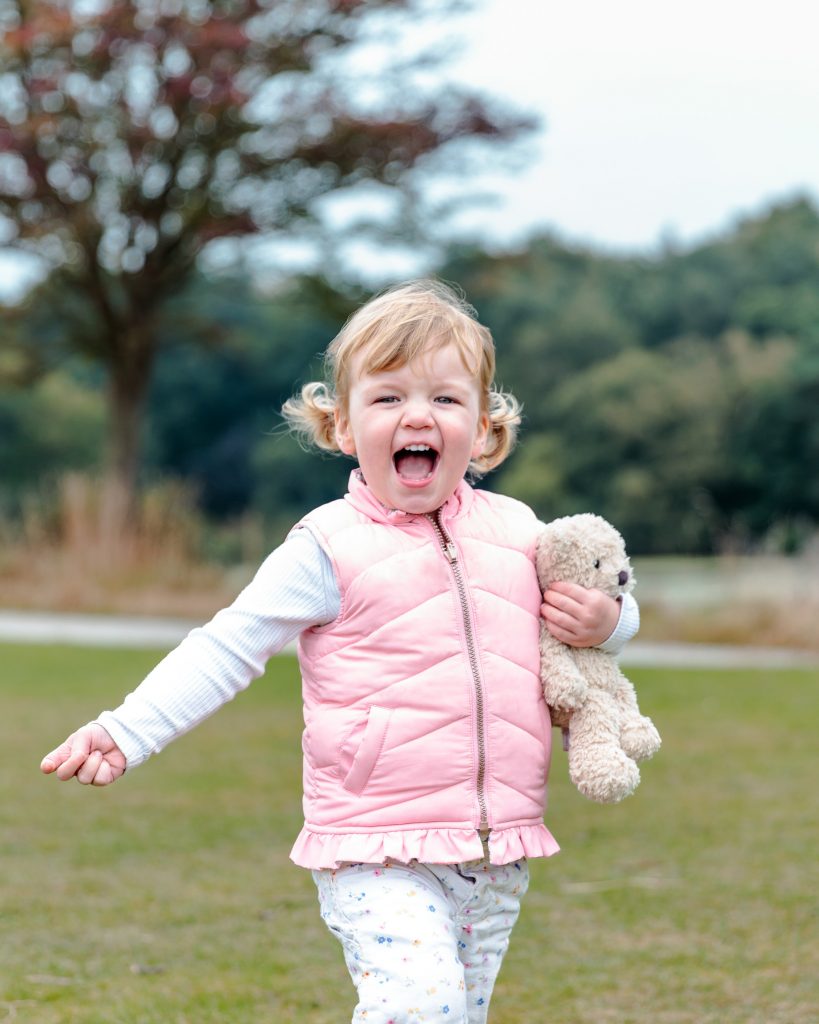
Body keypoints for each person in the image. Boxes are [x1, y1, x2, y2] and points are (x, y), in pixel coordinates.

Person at [41, 280, 639, 1024]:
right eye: (387, 399)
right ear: (344, 428)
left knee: (453, 1010)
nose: (417, 414)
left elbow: (600, 606)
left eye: (445, 400)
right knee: (421, 1004)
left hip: (494, 845)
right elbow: (227, 647)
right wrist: (128, 730)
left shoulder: (521, 531)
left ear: (483, 431)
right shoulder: (324, 547)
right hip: (371, 841)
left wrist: (607, 622)